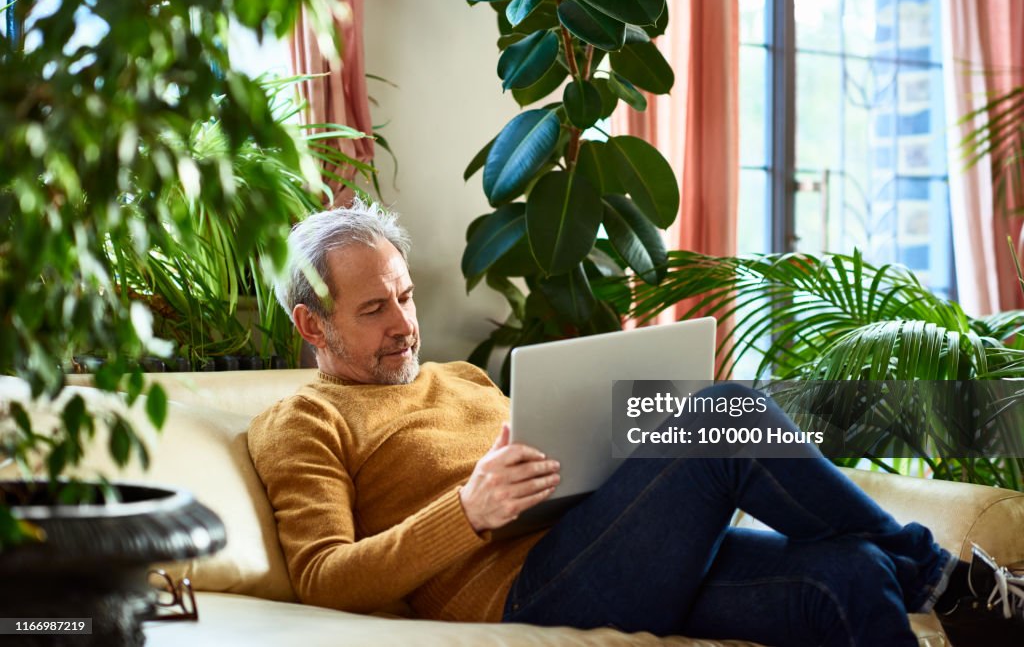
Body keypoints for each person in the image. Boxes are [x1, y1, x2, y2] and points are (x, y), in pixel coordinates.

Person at [247, 200, 1024, 646]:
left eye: (406, 296)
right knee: (727, 410)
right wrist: (466, 513)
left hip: (608, 546)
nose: (405, 323)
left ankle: (940, 588)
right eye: (375, 308)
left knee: (854, 569)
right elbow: (323, 578)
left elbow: (559, 461)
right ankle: (950, 581)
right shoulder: (304, 419)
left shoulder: (463, 377)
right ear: (312, 325)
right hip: (525, 589)